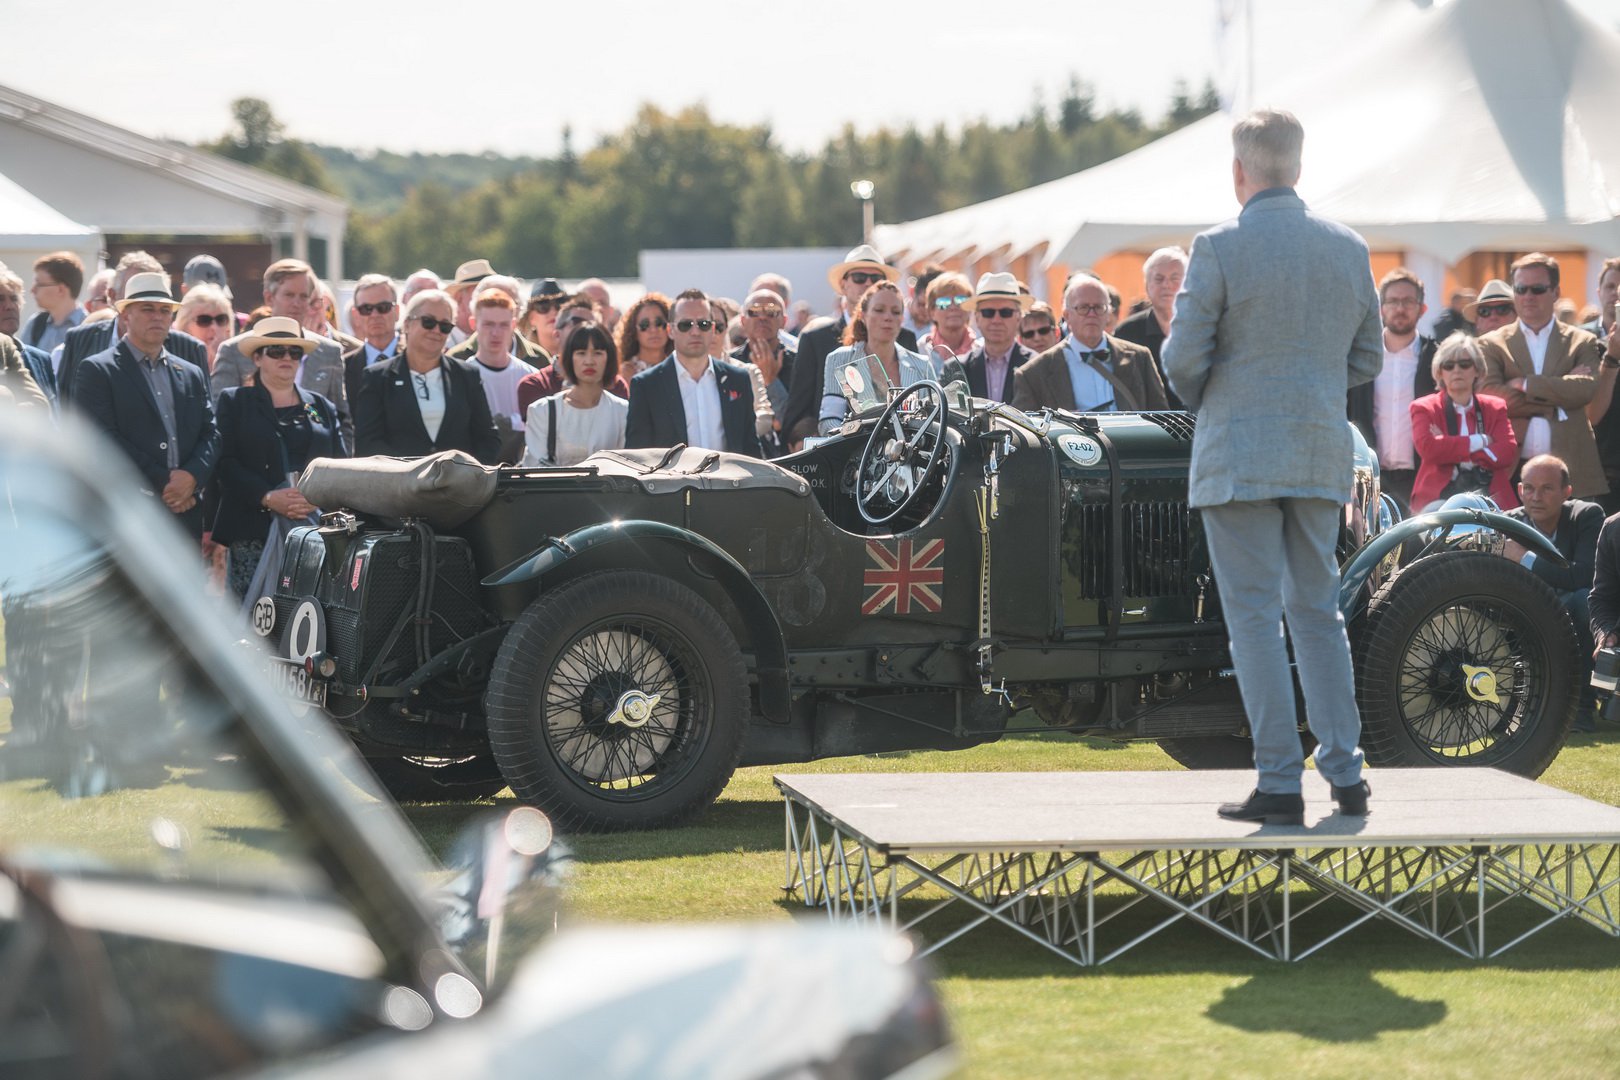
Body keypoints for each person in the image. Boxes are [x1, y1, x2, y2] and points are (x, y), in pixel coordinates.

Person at [1161, 108, 1380, 825]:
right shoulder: (1348, 247)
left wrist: (1222, 398)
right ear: (1298, 166)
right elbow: (1368, 357)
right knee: (1319, 614)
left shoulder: (1219, 245)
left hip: (1239, 454)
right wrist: (1312, 389)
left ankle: (1279, 779)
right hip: (1320, 446)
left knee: (1254, 621)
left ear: (1238, 172)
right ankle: (1346, 773)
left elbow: (1182, 358)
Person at [72, 271, 219, 541]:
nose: (157, 316)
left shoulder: (190, 372)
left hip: (185, 511)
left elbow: (210, 434)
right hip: (128, 514)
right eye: (148, 309)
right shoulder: (97, 369)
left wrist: (191, 478)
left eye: (165, 310)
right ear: (125, 315)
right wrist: (166, 483)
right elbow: (101, 440)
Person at [212, 316, 346, 600]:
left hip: (313, 530)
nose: (287, 357)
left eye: (294, 352)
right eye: (276, 351)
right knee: (256, 622)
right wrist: (268, 497)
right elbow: (224, 464)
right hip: (253, 530)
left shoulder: (320, 406)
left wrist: (314, 499)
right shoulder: (235, 402)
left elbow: (340, 466)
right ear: (257, 358)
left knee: (309, 619)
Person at [1478, 252, 1606, 499]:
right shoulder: (1490, 344)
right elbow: (1490, 397)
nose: (1527, 296)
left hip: (1571, 471)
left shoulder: (1582, 341)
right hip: (1511, 469)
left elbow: (1585, 390)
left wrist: (1525, 384)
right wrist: (1557, 398)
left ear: (1555, 292)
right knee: (1510, 539)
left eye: (1537, 289)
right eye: (1521, 289)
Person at [1505, 454, 1603, 729]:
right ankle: (1507, 705)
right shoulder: (1507, 522)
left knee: (1583, 601)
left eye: (1547, 488)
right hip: (1528, 608)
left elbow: (1582, 575)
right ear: (1519, 490)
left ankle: (1582, 706)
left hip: (1578, 613)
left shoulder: (1587, 515)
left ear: (1566, 492)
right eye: (1528, 488)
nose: (1536, 496)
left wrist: (1524, 557)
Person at [780, 245, 915, 445]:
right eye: (860, 277)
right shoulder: (815, 340)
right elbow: (798, 413)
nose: (868, 283)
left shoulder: (905, 339)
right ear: (844, 285)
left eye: (876, 279)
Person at [210, 259, 352, 447]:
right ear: (269, 298)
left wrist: (336, 471)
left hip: (314, 470)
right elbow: (218, 422)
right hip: (252, 469)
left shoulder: (329, 352)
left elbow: (342, 422)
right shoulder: (235, 350)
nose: (297, 303)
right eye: (289, 295)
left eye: (303, 296)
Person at [354, 289, 501, 463]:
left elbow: (488, 438)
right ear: (407, 324)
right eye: (428, 322)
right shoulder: (377, 378)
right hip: (400, 485)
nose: (437, 330)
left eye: (445, 326)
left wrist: (469, 474)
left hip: (459, 485)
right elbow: (368, 442)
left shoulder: (467, 376)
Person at [56, 253, 208, 408]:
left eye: (162, 306)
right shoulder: (80, 340)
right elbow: (64, 405)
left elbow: (204, 416)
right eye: (138, 294)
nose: (156, 315)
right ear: (113, 296)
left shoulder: (189, 349)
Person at [625, 288, 762, 456]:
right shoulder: (646, 385)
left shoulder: (738, 379)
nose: (695, 331)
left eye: (703, 324)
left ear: (712, 329)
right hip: (672, 481)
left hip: (728, 481)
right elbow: (637, 456)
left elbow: (750, 448)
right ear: (671, 331)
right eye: (685, 325)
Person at [1347, 268, 1438, 505]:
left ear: (1422, 308)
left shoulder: (1438, 358)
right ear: (1380, 308)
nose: (1400, 308)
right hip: (1369, 477)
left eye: (1408, 301)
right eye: (1393, 301)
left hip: (1423, 478)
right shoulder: (1359, 357)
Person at [1012, 275, 1168, 413]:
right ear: (1066, 315)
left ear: (1108, 313)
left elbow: (1164, 420)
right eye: (1083, 308)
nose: (1091, 314)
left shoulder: (1140, 358)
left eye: (1098, 307)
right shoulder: (1033, 373)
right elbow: (1026, 434)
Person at [1409, 333, 1518, 511]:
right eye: (1449, 365)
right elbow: (1429, 449)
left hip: (1491, 495)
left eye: (1465, 364)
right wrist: (1481, 441)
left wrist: (1449, 447)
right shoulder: (1424, 407)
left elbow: (1507, 452)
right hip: (1436, 498)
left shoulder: (1494, 407)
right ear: (1440, 372)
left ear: (1477, 370)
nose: (1456, 370)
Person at [818, 280, 940, 434]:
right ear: (862, 315)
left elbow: (938, 421)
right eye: (879, 310)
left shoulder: (922, 365)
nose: (888, 317)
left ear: (902, 319)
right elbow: (829, 421)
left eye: (895, 312)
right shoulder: (839, 359)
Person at [523, 321, 628, 466]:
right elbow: (534, 468)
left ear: (608, 358)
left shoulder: (622, 411)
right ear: (569, 358)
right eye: (581, 353)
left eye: (597, 353)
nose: (589, 361)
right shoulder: (542, 411)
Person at [465, 289, 541, 463]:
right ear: (473, 323)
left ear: (513, 325)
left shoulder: (530, 376)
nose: (496, 333)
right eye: (488, 324)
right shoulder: (462, 377)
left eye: (503, 325)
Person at [1112, 246, 1187, 403]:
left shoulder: (1205, 327)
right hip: (1148, 425)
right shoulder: (1127, 333)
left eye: (1175, 278)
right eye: (1159, 279)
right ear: (1147, 286)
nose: (1166, 284)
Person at [731, 288, 795, 456]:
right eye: (754, 311)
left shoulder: (801, 361)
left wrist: (770, 381)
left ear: (784, 320)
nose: (762, 317)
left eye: (772, 311)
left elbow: (790, 422)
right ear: (743, 320)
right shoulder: (729, 364)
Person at [960, 272, 1034, 404]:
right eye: (988, 312)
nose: (996, 320)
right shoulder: (958, 368)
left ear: (1019, 317)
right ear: (977, 318)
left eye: (1006, 312)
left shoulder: (1036, 366)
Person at [447, 275, 548, 363]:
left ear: (519, 309)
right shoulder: (456, 358)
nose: (498, 310)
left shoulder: (539, 358)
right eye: (490, 302)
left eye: (508, 303)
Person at [342, 273, 401, 411]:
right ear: (356, 316)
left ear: (397, 311)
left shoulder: (418, 361)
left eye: (383, 307)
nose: (375, 315)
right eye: (366, 309)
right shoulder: (343, 367)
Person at [0, 263, 56, 403]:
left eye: (14, 299)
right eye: (0, 299)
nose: (10, 306)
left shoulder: (41, 359)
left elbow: (55, 419)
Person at [22, 251, 86, 354]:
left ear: (61, 289)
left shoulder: (88, 326)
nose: (32, 290)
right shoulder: (36, 323)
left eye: (39, 284)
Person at [175, 283, 236, 374]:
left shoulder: (240, 366)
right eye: (204, 320)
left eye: (221, 319)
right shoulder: (173, 366)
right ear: (185, 325)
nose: (214, 327)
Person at [917, 272, 977, 363]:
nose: (953, 307)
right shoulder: (920, 351)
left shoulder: (982, 351)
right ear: (932, 311)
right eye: (943, 302)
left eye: (960, 300)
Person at [615, 292, 674, 379]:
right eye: (644, 325)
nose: (653, 330)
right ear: (633, 331)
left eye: (659, 323)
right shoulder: (626, 372)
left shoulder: (679, 367)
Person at [442, 258, 496, 347]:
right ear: (458, 298)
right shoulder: (439, 337)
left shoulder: (500, 338)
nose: (490, 299)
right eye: (481, 292)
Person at [525, 278, 568, 356]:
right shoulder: (522, 358)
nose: (554, 312)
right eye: (543, 306)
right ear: (531, 318)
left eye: (560, 304)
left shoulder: (582, 356)